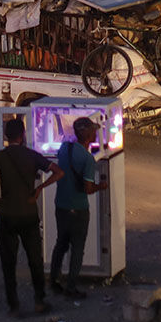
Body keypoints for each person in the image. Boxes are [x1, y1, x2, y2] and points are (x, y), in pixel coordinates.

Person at [0, 117, 64, 316]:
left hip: (6, 214)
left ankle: (13, 305)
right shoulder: (33, 155)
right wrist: (40, 188)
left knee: (8, 261)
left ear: (7, 136)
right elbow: (58, 172)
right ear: (23, 135)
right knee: (34, 259)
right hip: (28, 214)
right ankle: (39, 301)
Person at [49, 118, 108, 299]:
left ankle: (54, 281)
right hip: (78, 208)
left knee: (61, 243)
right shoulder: (87, 159)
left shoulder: (64, 148)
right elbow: (88, 189)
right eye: (93, 132)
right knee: (77, 248)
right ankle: (71, 287)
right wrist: (101, 186)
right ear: (89, 136)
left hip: (61, 205)